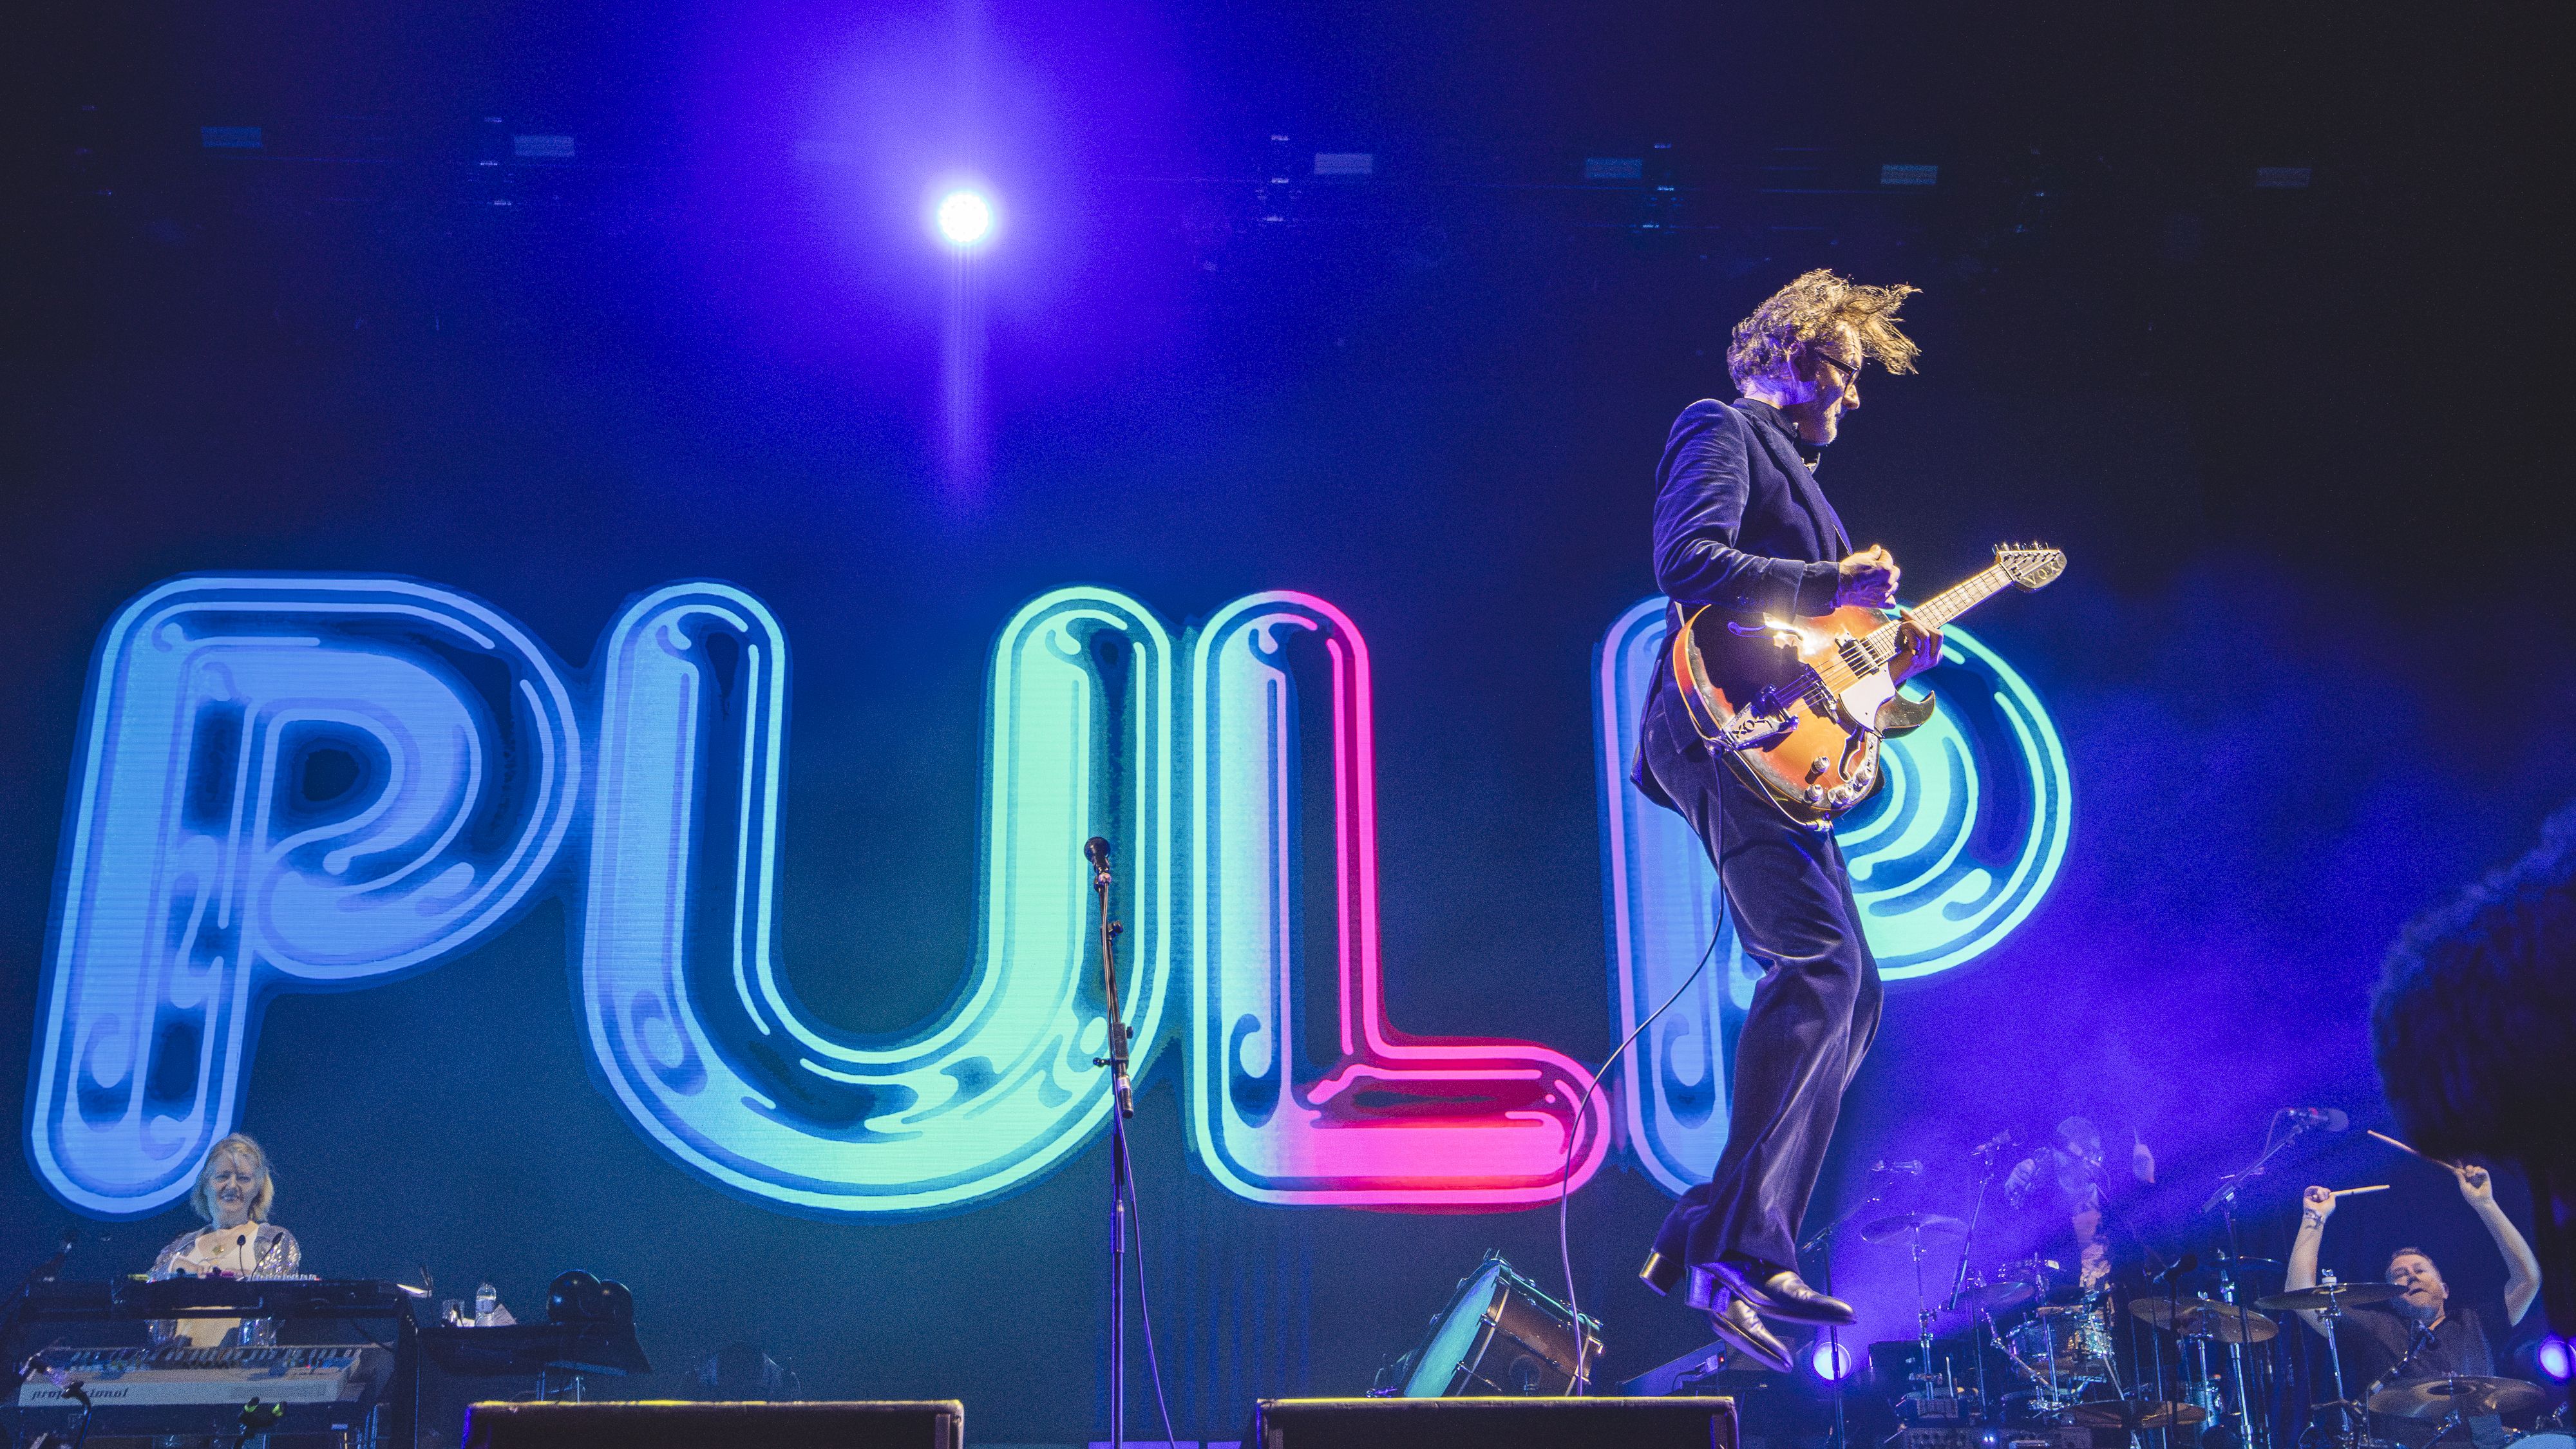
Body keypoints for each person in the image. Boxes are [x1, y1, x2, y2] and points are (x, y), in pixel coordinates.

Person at [1631, 269, 1941, 1371]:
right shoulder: (1721, 428)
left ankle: (1709, 1234)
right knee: (1818, 964)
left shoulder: (1809, 490)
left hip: (1786, 749)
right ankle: (1740, 1251)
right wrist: (1829, 581)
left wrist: (1886, 661)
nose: (1852, 398)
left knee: (1855, 992)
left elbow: (1815, 652)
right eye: (1842, 374)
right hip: (1724, 730)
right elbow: (1687, 561)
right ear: (1784, 359)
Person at [2283, 1164, 2543, 1449]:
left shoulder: (2476, 1322)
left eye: (2420, 1270)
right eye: (2400, 1274)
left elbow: (2528, 1279)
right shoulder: (2377, 1328)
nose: (2411, 1276)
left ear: (2445, 1289)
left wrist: (2485, 1204)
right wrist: (2314, 1217)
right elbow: (2300, 1296)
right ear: (2392, 1296)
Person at [148, 1133, 303, 1349]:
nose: (232, 1186)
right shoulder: (179, 1248)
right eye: (222, 1176)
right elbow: (144, 1301)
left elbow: (277, 1303)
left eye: (243, 1178)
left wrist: (238, 1282)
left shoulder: (274, 1241)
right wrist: (171, 1270)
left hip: (241, 1367)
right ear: (205, 1184)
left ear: (258, 1188)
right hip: (178, 1366)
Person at [2005, 1116, 2157, 1293]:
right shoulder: (2042, 1201)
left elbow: (2151, 1232)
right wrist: (2010, 1189)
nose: (2086, 1157)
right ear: (2058, 1153)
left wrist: (2147, 1180)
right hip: (2066, 1301)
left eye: (2091, 1150)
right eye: (2078, 1148)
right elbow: (2010, 1232)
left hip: (2117, 1298)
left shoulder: (2109, 1194)